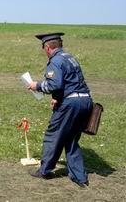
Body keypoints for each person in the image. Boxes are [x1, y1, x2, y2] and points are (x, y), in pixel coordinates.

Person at [28, 32, 93, 188]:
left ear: (49, 47)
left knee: (53, 136)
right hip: (85, 101)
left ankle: (44, 171)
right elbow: (72, 81)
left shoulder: (55, 61)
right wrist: (57, 97)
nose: (44, 50)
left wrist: (36, 86)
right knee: (71, 139)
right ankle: (80, 177)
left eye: (43, 47)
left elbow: (54, 84)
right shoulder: (70, 58)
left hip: (71, 104)